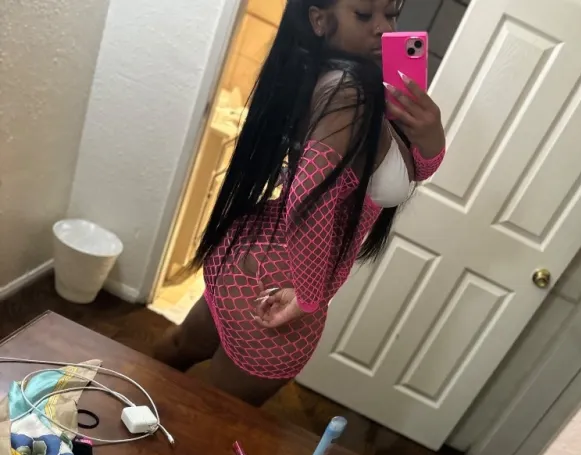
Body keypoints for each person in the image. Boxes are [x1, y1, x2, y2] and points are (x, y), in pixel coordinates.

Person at [155, 0, 446, 406]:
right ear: (319, 19)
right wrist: (309, 297)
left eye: (391, 14)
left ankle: (116, 406)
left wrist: (430, 137)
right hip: (283, 283)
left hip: (250, 257)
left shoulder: (324, 75)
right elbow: (309, 201)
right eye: (364, 15)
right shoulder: (349, 93)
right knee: (215, 416)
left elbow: (396, 170)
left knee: (180, 347)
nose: (383, 28)